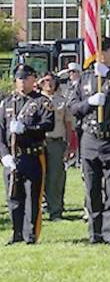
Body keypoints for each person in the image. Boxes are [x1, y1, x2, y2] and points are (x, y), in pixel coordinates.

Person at [69, 37, 110, 245]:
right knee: (91, 188)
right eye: (109, 51)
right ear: (100, 52)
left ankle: (109, 233)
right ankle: (94, 233)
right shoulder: (85, 78)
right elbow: (73, 108)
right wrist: (89, 102)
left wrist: (109, 73)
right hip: (90, 138)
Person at [0, 64, 54, 245]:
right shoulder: (8, 103)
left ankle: (31, 235)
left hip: (33, 155)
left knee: (32, 196)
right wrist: (4, 156)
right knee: (13, 197)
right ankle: (16, 233)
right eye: (19, 78)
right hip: (13, 158)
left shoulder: (41, 102)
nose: (22, 82)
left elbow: (48, 125)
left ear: (33, 79)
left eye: (26, 78)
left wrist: (27, 129)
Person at [39, 72, 72, 221]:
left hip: (56, 142)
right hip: (38, 143)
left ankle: (56, 211)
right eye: (45, 81)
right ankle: (40, 208)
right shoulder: (35, 100)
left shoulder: (61, 101)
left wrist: (69, 145)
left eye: (51, 81)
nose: (49, 84)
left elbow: (68, 124)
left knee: (56, 178)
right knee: (38, 177)